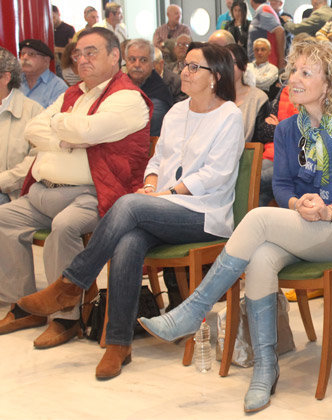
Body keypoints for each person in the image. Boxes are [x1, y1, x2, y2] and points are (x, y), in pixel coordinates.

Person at [137, 38, 332, 413]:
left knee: (257, 217)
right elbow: (282, 186)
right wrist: (299, 203)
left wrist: (329, 210)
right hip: (301, 223)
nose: (293, 79)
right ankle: (265, 369)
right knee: (262, 258)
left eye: (305, 72)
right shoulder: (286, 130)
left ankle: (191, 311)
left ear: (329, 83)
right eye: (293, 71)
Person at [17, 42, 243, 379]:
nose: (185, 71)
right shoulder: (178, 112)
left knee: (129, 204)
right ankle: (119, 344)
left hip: (204, 214)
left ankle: (71, 284)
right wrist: (151, 186)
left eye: (195, 67)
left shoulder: (229, 116)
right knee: (129, 242)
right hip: (161, 205)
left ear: (216, 76)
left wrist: (163, 194)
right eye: (185, 64)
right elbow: (157, 158)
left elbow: (215, 175)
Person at [0, 27, 152, 348]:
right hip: (43, 191)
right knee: (5, 219)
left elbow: (87, 129)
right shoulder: (73, 93)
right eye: (78, 54)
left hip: (96, 195)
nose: (82, 60)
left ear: (115, 56)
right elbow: (33, 128)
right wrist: (69, 136)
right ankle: (26, 304)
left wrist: (63, 126)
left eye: (91, 53)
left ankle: (65, 317)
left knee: (64, 227)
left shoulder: (127, 97)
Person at [0, 47, 43, 206]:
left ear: (5, 78)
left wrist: (2, 181)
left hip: (15, 195)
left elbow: (37, 159)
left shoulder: (33, 112)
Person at [125, 39, 174, 137]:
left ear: (153, 64)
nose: (137, 65)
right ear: (126, 62)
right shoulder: (122, 83)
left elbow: (145, 130)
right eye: (132, 59)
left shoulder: (159, 95)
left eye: (143, 60)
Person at [226, 43, 270, 143]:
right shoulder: (212, 96)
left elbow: (260, 140)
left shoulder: (258, 98)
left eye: (233, 62)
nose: (227, 67)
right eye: (224, 62)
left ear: (244, 66)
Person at [18, 39, 68, 108]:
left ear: (46, 60)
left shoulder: (58, 87)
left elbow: (56, 117)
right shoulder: (13, 82)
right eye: (22, 54)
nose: (25, 57)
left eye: (31, 54)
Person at [247, 0, 285, 68]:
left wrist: (281, 61)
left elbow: (280, 31)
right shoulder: (264, 9)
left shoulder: (263, 9)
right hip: (261, 64)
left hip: (265, 64)